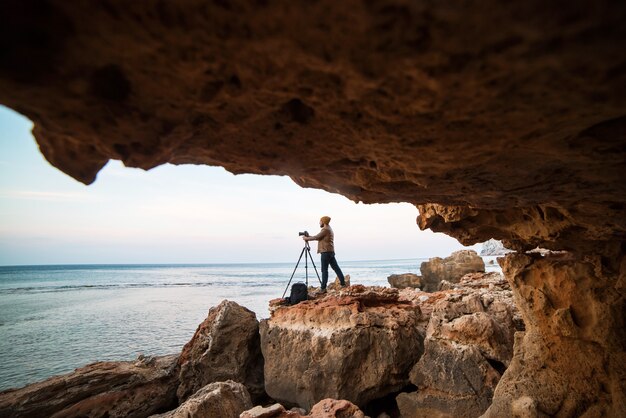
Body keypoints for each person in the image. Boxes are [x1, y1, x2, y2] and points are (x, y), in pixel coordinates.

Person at [303, 216, 346, 292]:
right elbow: (318, 237)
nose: (319, 223)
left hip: (325, 252)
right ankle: (343, 284)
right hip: (330, 251)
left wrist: (306, 238)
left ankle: (323, 288)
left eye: (320, 221)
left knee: (324, 270)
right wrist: (309, 236)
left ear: (324, 222)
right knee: (336, 268)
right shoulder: (328, 229)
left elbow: (316, 237)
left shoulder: (325, 230)